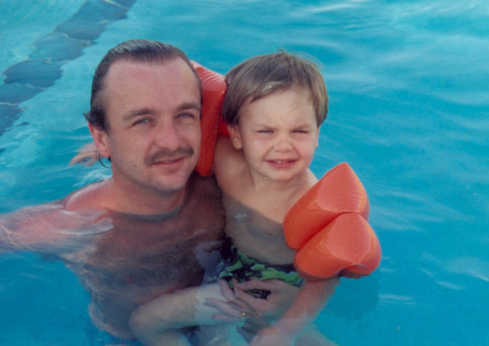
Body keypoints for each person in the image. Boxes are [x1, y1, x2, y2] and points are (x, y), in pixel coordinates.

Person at [0, 40, 291, 343]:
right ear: (101, 137)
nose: (171, 142)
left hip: (227, 321)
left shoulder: (226, 192)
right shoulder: (73, 225)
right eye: (143, 120)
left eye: (184, 115)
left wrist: (291, 300)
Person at [128, 51, 340, 346]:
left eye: (300, 131)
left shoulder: (312, 203)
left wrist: (286, 328)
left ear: (318, 133)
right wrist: (110, 146)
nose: (283, 146)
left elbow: (325, 278)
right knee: (146, 322)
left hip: (281, 289)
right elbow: (171, 132)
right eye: (266, 131)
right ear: (237, 135)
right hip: (227, 273)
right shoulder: (226, 160)